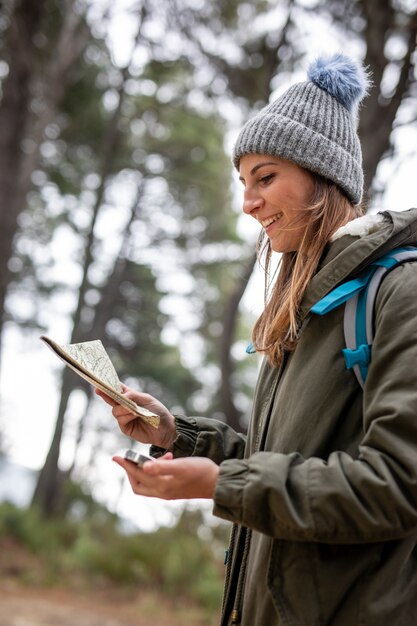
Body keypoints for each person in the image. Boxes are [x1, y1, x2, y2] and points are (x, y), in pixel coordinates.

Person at [97, 53, 417, 625]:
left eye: (265, 178)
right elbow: (284, 463)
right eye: (243, 183)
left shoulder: (400, 293)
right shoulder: (307, 310)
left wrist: (226, 484)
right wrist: (181, 437)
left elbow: (396, 484)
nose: (247, 203)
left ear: (323, 177)